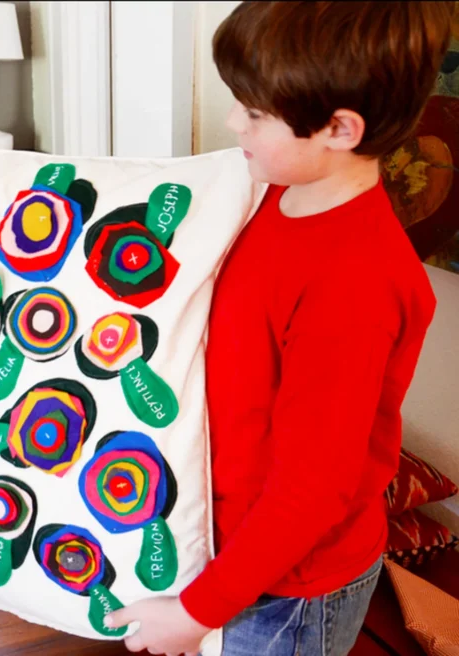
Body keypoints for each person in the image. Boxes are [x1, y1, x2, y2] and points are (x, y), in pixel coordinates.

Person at [106, 2, 453, 654]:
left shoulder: (351, 284)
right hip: (238, 546)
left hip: (293, 589)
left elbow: (309, 493)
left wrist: (196, 610)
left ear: (340, 129)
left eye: (256, 113)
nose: (234, 121)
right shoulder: (276, 190)